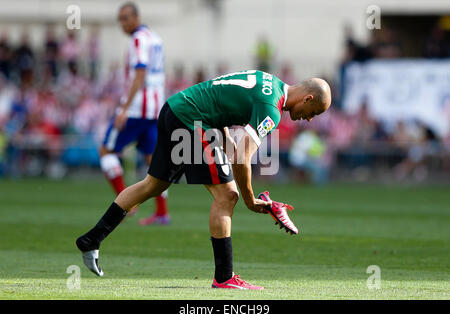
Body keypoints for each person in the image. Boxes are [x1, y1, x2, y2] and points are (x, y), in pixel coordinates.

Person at [76, 69, 331, 289]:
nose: (309, 119)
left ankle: (91, 239)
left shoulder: (269, 81)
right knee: (228, 195)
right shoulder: (271, 110)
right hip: (191, 120)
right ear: (308, 98)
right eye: (314, 112)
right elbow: (242, 158)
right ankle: (224, 277)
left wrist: (226, 138)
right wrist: (251, 200)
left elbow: (218, 94)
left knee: (153, 185)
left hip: (175, 108)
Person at [99, 2, 169, 225]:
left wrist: (125, 108)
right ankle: (162, 213)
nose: (122, 24)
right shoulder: (155, 38)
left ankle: (126, 203)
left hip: (137, 109)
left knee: (106, 150)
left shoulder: (138, 39)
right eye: (120, 19)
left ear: (136, 17)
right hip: (154, 109)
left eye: (125, 18)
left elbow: (140, 73)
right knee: (153, 163)